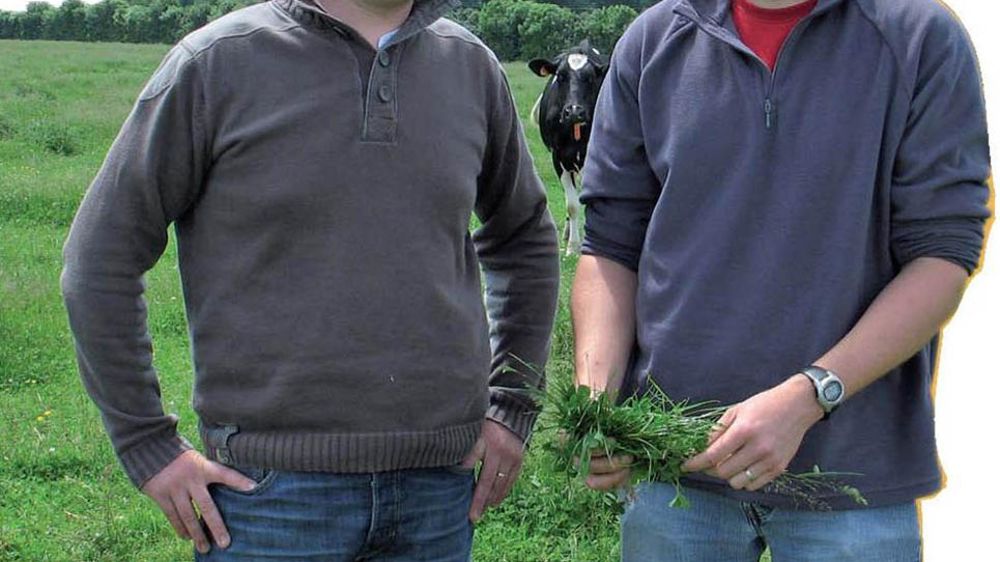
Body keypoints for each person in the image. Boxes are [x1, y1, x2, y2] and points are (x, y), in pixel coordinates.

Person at [61, 0, 560, 559]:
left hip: (438, 493)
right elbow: (99, 260)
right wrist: (147, 444)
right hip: (267, 497)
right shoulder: (215, 63)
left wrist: (512, 406)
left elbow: (524, 237)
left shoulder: (470, 66)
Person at [571, 0, 991, 559]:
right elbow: (609, 247)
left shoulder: (918, 37)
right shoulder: (654, 41)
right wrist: (596, 404)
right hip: (674, 473)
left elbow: (942, 254)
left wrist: (811, 395)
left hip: (849, 482)